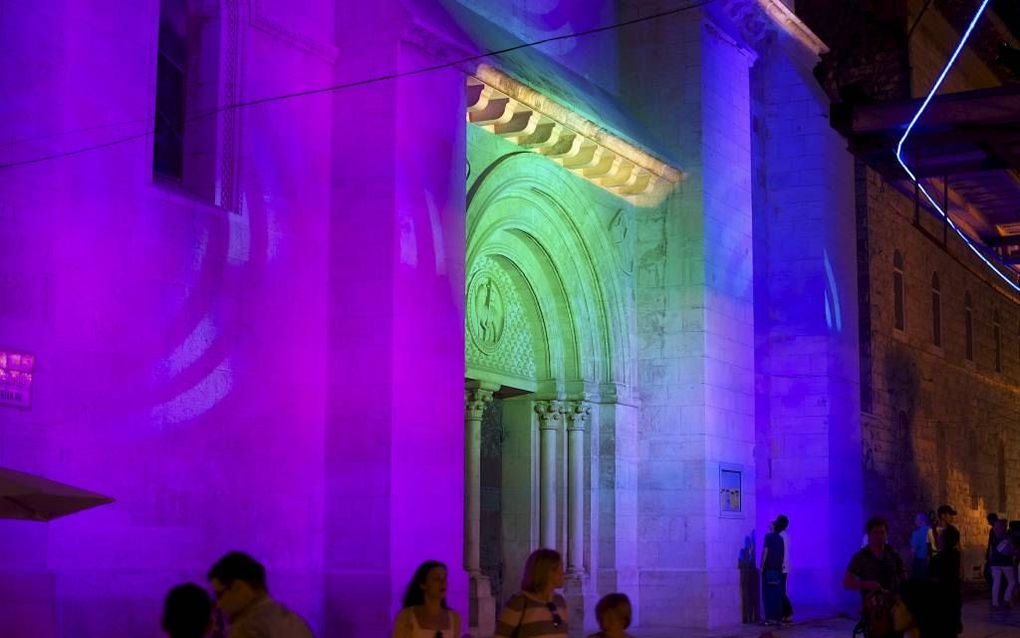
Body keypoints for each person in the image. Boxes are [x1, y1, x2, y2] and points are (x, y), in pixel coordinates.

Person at [207, 551, 314, 638]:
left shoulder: (247, 628)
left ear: (239, 587)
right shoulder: (295, 622)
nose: (219, 604)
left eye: (219, 595)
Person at [494, 548, 568, 638]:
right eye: (559, 569)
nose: (563, 573)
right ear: (546, 572)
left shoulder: (560, 602)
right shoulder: (519, 603)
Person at [392, 560, 461, 638]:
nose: (443, 583)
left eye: (444, 579)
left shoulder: (454, 618)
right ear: (423, 584)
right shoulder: (407, 616)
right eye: (437, 579)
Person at [930, 525, 962, 635]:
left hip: (941, 598)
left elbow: (933, 578)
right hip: (953, 595)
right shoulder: (955, 555)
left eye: (940, 536)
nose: (937, 537)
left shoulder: (938, 559)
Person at [760, 522, 785, 626]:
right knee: (777, 595)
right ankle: (778, 619)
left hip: (769, 569)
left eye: (770, 524)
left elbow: (765, 551)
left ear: (773, 527)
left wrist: (762, 565)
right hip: (778, 570)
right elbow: (782, 554)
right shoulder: (780, 539)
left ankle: (768, 619)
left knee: (767, 595)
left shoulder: (768, 536)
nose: (768, 525)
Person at [988, 518, 1016, 609]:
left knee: (996, 582)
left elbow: (993, 550)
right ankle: (1006, 599)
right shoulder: (1008, 536)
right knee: (1012, 581)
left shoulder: (994, 536)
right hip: (1006, 563)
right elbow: (1010, 549)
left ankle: (995, 603)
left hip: (995, 562)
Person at [775, 514, 793, 624]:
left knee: (781, 591)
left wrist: (780, 564)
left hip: (782, 567)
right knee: (781, 591)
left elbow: (782, 552)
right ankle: (785, 614)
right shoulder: (785, 535)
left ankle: (788, 613)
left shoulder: (781, 536)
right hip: (785, 566)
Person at [909, 513, 932, 580]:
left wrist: (911, 563)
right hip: (930, 561)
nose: (915, 521)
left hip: (919, 562)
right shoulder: (931, 530)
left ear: (921, 520)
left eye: (916, 519)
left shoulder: (916, 533)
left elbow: (913, 551)